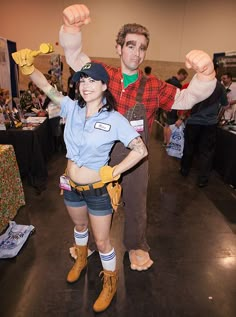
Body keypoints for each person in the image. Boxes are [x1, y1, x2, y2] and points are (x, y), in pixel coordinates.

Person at [59, 4, 216, 272]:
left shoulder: (154, 85)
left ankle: (136, 245)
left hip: (136, 154)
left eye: (142, 48)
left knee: (136, 201)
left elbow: (187, 98)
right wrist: (70, 30)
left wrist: (206, 76)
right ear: (119, 48)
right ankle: (95, 244)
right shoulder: (103, 74)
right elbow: (74, 56)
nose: (137, 52)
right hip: (99, 153)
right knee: (96, 198)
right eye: (130, 45)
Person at [12, 50, 148, 312]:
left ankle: (110, 282)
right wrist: (29, 69)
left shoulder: (114, 119)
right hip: (71, 186)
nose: (84, 86)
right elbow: (45, 87)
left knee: (103, 241)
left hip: (97, 190)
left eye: (91, 81)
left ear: (104, 86)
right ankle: (81, 260)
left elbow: (140, 149)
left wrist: (116, 170)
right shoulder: (71, 107)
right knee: (79, 228)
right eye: (81, 81)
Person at [180, 80, 228, 187]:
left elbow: (187, 102)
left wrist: (182, 116)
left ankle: (184, 169)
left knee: (189, 147)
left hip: (193, 121)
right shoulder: (220, 87)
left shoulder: (195, 83)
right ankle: (202, 179)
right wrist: (218, 118)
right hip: (209, 123)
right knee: (206, 151)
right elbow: (225, 105)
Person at [163, 68, 189, 146]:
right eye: (184, 77)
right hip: (173, 106)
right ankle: (168, 143)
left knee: (166, 124)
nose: (184, 79)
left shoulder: (168, 80)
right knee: (171, 126)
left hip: (166, 105)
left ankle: (165, 141)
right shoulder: (178, 84)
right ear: (180, 74)